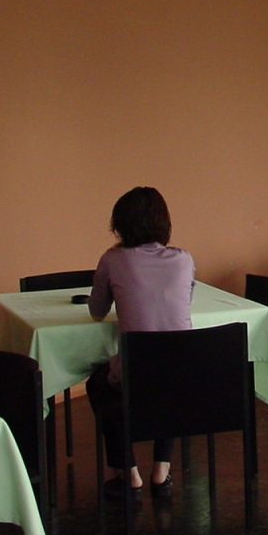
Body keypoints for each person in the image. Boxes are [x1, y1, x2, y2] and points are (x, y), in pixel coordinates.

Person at [86, 186, 195, 501]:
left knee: (98, 385)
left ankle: (129, 472)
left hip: (134, 376)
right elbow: (183, 301)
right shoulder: (184, 259)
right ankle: (161, 469)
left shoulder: (114, 259)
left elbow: (96, 311)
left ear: (121, 224)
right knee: (168, 379)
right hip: (184, 374)